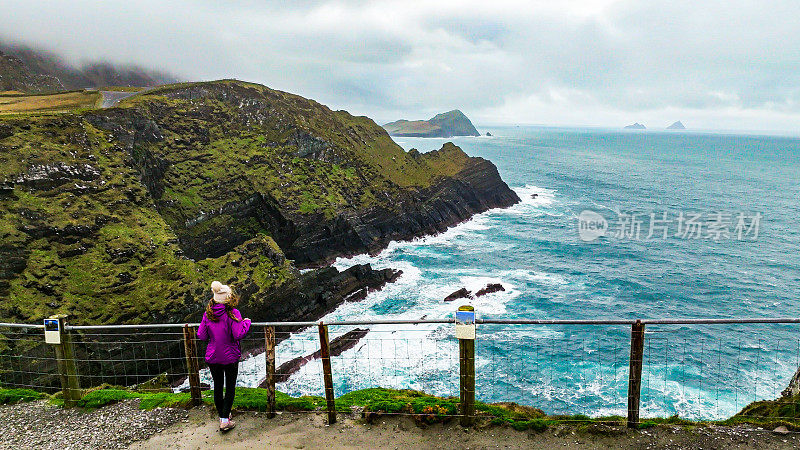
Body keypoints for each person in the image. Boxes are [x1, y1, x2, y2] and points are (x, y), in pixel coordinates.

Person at [197, 281, 251, 432]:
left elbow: (201, 335)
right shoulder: (233, 313)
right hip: (230, 357)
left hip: (213, 357)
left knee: (218, 387)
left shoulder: (208, 314)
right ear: (227, 298)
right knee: (230, 388)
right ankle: (224, 421)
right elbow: (238, 333)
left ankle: (224, 415)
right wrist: (246, 323)